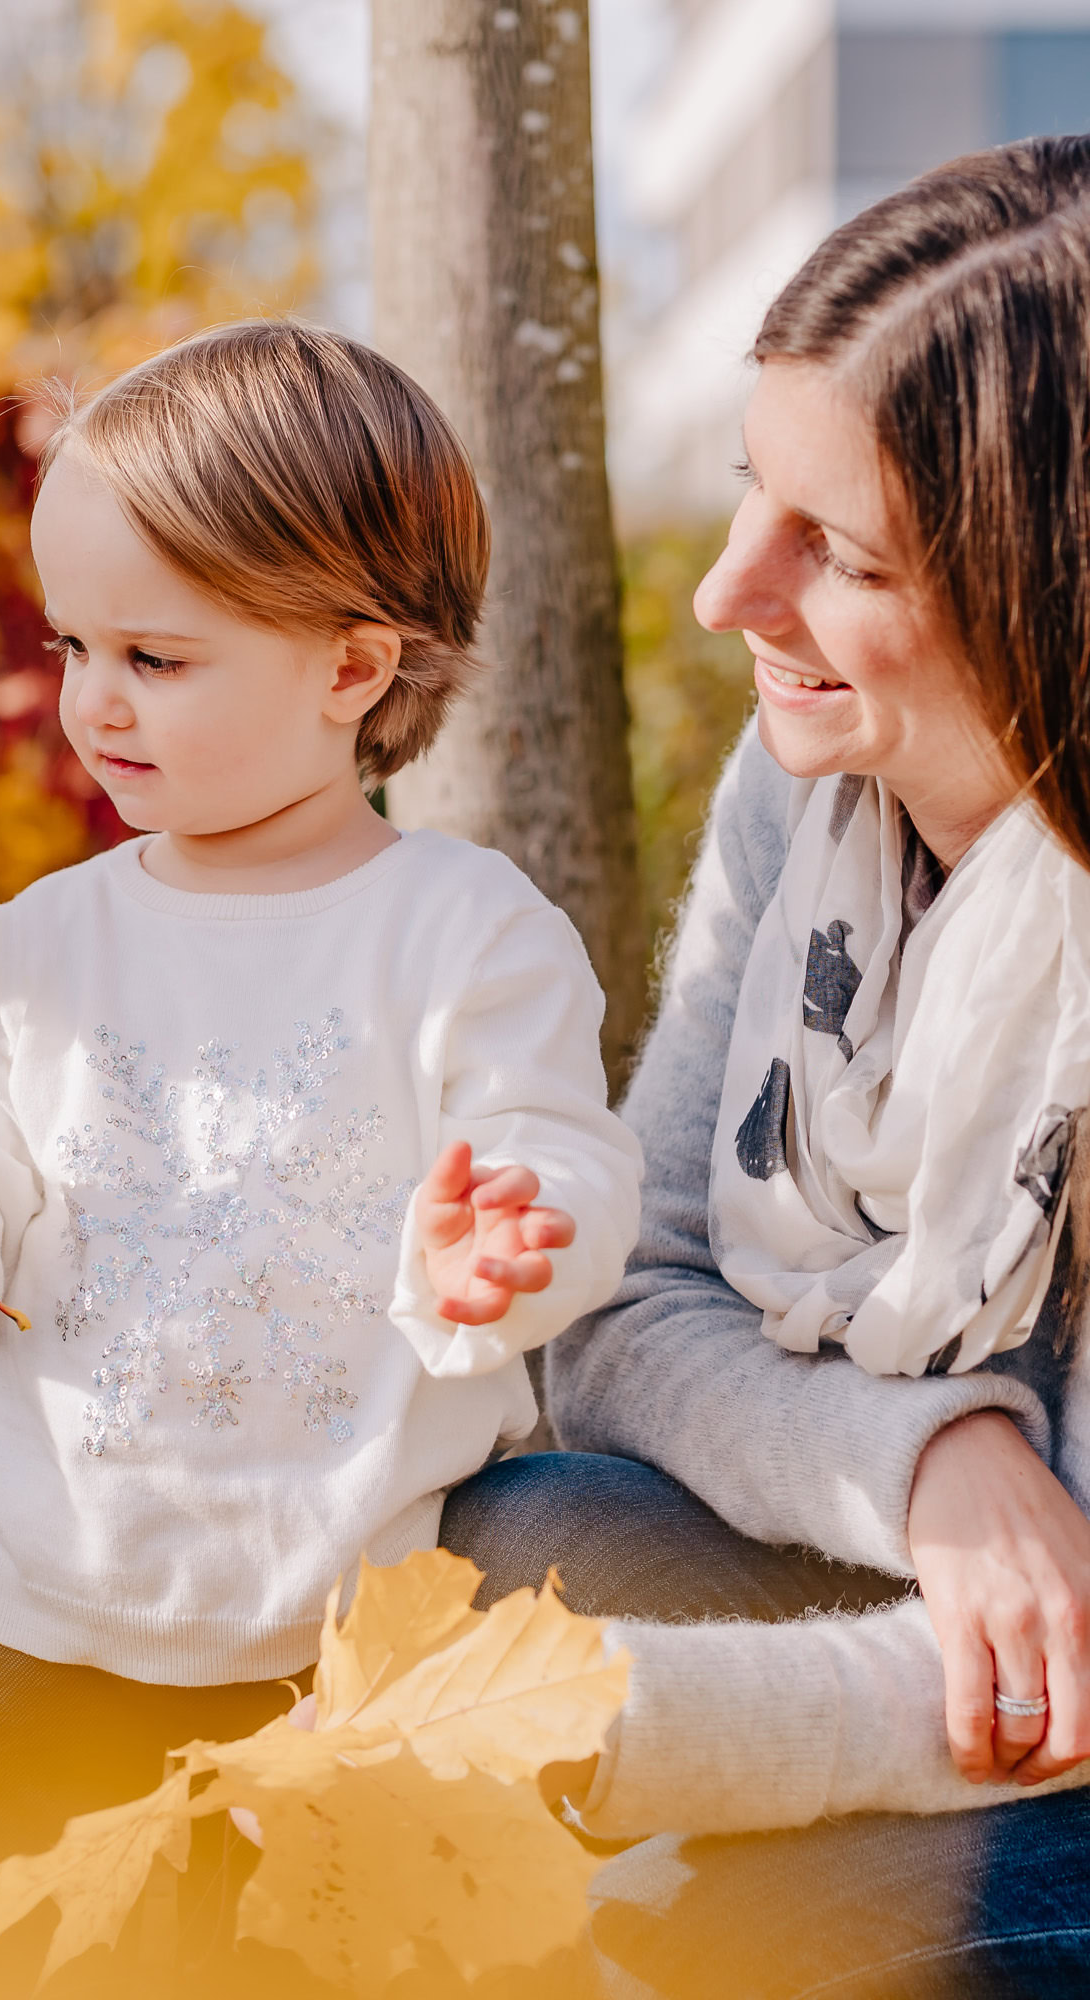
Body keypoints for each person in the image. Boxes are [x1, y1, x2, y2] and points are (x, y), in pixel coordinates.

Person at [0, 321, 644, 1904]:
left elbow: (558, 1148)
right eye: (72, 651)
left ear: (351, 667)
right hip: (39, 1610)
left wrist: (512, 1239)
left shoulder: (463, 929)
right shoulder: (43, 946)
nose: (94, 706)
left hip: (339, 1614)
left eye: (156, 659)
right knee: (43, 1942)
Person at [437, 136, 1090, 1995]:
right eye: (752, 497)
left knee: (803, 1948)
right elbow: (628, 1305)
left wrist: (604, 1735)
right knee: (518, 1545)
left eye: (843, 552)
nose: (731, 593)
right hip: (944, 1611)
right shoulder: (814, 795)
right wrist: (932, 1461)